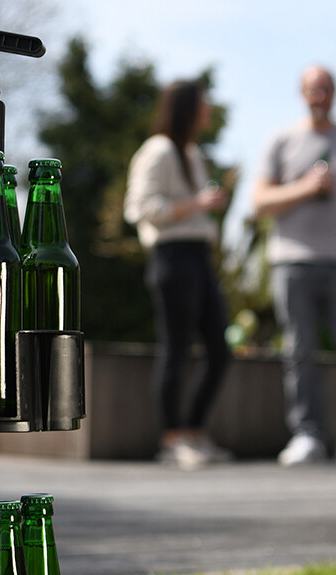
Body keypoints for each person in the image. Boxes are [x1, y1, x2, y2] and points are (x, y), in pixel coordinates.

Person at [252, 65, 336, 470]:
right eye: (314, 88)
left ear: (335, 93)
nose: (320, 95)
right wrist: (306, 187)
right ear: (302, 93)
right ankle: (306, 435)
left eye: (327, 88)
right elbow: (259, 203)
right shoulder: (282, 139)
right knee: (300, 352)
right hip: (292, 261)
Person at [123, 79, 232, 470]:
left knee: (220, 349)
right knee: (176, 348)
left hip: (199, 257)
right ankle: (171, 439)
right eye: (204, 103)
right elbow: (138, 208)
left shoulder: (192, 152)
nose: (208, 110)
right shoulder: (157, 150)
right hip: (172, 256)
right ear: (188, 106)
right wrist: (197, 204)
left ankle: (194, 432)